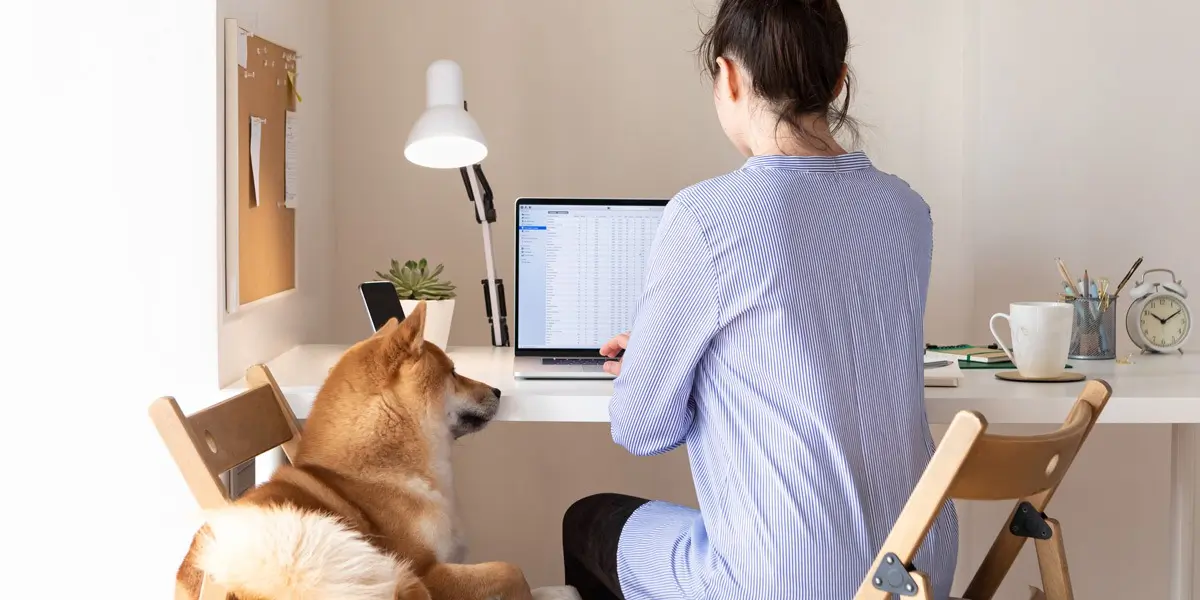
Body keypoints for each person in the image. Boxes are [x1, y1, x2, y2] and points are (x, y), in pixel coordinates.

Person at [559, 0, 958, 599]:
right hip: (918, 569)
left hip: (781, 580)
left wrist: (666, 363)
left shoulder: (705, 217)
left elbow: (642, 428)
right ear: (838, 82)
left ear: (729, 76)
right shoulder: (908, 212)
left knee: (586, 519)